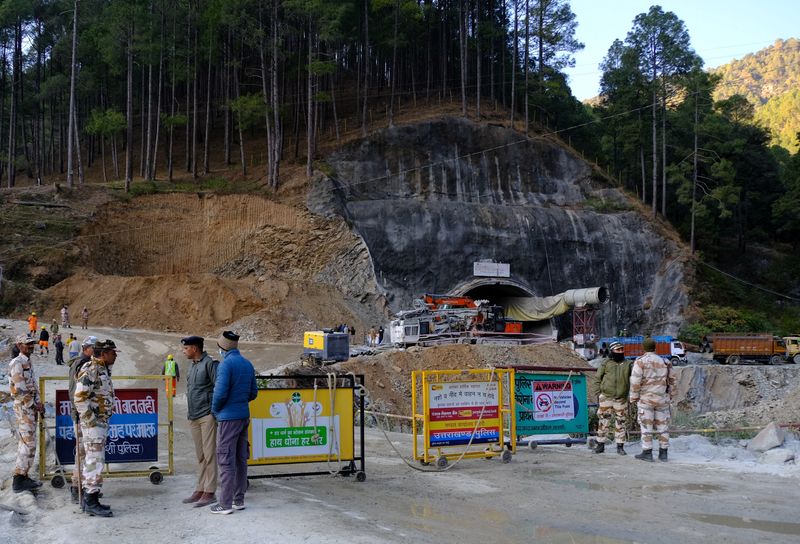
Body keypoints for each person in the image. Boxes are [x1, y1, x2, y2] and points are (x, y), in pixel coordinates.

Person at [210, 331, 257, 515]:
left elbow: (219, 393)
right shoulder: (247, 364)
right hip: (243, 416)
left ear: (222, 348)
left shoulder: (225, 365)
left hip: (228, 418)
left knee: (225, 458)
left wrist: (215, 410)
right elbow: (254, 392)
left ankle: (225, 504)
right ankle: (239, 500)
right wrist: (240, 401)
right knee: (240, 459)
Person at [73, 339, 118, 517]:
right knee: (94, 461)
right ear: (103, 353)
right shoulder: (91, 368)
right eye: (113, 353)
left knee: (93, 460)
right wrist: (91, 421)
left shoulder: (102, 368)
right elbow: (79, 397)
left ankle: (91, 499)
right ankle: (91, 501)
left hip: (99, 423)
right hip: (93, 424)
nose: (115, 356)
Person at [181, 336, 219, 508]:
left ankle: (210, 491)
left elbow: (218, 387)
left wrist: (213, 410)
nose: (184, 351)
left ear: (195, 348)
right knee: (200, 455)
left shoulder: (209, 363)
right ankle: (200, 488)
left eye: (186, 348)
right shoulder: (193, 365)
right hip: (194, 415)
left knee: (210, 453)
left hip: (207, 415)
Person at [629, 337, 676, 463]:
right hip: (662, 399)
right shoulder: (665, 361)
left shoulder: (640, 362)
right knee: (663, 426)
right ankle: (663, 453)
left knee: (646, 425)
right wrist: (671, 395)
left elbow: (635, 381)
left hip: (646, 399)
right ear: (655, 347)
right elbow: (672, 380)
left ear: (643, 348)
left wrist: (633, 397)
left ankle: (647, 452)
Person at [8, 335, 45, 493]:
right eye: (27, 344)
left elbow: (31, 385)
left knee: (28, 443)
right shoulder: (17, 363)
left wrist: (38, 402)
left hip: (30, 408)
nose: (30, 346)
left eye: (32, 344)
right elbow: (20, 389)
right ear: (19, 345)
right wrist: (33, 404)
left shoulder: (27, 362)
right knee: (28, 443)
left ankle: (24, 476)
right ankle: (19, 479)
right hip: (24, 408)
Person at [68, 335, 97, 504]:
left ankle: (85, 486)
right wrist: (78, 413)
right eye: (94, 348)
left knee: (88, 453)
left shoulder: (89, 364)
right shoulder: (80, 365)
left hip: (87, 415)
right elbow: (74, 393)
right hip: (81, 416)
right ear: (86, 349)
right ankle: (77, 487)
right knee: (82, 452)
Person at [592, 341, 632, 455]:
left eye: (622, 349)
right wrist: (598, 393)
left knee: (621, 422)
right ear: (612, 351)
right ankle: (600, 445)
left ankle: (620, 446)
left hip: (621, 398)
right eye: (617, 350)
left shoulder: (628, 364)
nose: (620, 351)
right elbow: (597, 378)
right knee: (603, 421)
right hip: (606, 397)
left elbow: (636, 375)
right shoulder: (606, 363)